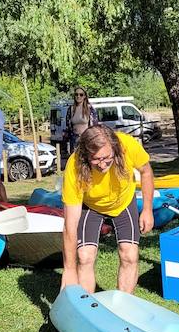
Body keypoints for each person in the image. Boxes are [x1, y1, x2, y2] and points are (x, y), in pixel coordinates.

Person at [59, 124, 154, 295]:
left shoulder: (127, 145)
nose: (102, 165)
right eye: (95, 159)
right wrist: (69, 270)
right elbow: (70, 225)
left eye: (106, 158)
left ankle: (123, 305)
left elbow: (146, 172)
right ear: (86, 156)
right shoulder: (74, 166)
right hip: (91, 205)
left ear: (115, 150)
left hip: (123, 201)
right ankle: (85, 307)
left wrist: (147, 209)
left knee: (129, 255)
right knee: (85, 256)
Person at [62, 88, 94, 166]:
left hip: (86, 139)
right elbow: (68, 127)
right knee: (75, 162)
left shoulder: (89, 108)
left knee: (87, 161)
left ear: (85, 96)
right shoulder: (71, 109)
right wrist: (65, 144)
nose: (78, 96)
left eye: (81, 94)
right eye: (76, 94)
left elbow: (94, 126)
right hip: (74, 140)